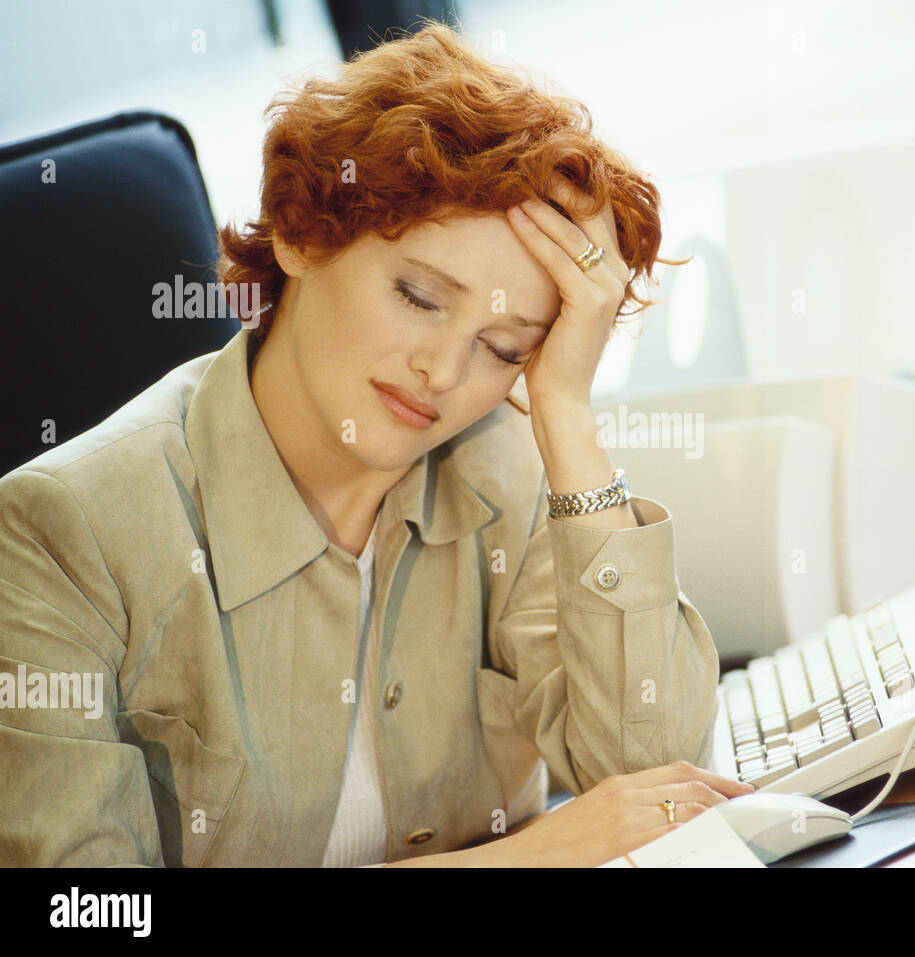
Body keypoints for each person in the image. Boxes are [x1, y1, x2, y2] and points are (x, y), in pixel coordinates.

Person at [0, 19, 751, 868]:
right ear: (303, 233)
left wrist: (568, 415)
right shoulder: (57, 532)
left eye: (504, 347)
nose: (442, 369)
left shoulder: (511, 473)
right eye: (420, 296)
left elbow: (650, 784)